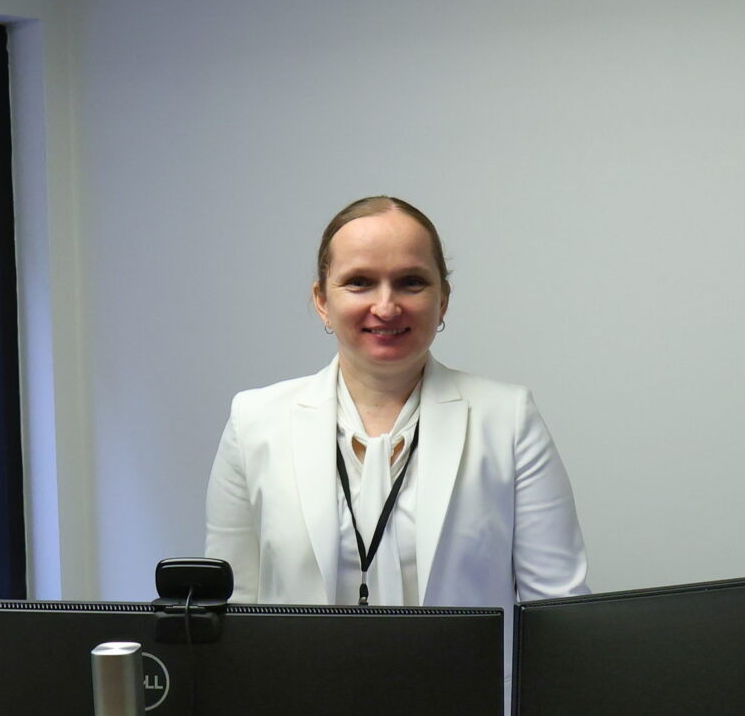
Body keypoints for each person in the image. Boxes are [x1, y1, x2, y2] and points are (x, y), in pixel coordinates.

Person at [203, 196, 590, 612]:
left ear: (442, 300)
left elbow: (558, 611)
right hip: (299, 661)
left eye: (411, 282)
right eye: (359, 282)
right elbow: (227, 611)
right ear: (322, 301)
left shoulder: (508, 420)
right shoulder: (254, 422)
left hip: (460, 661)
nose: (386, 307)